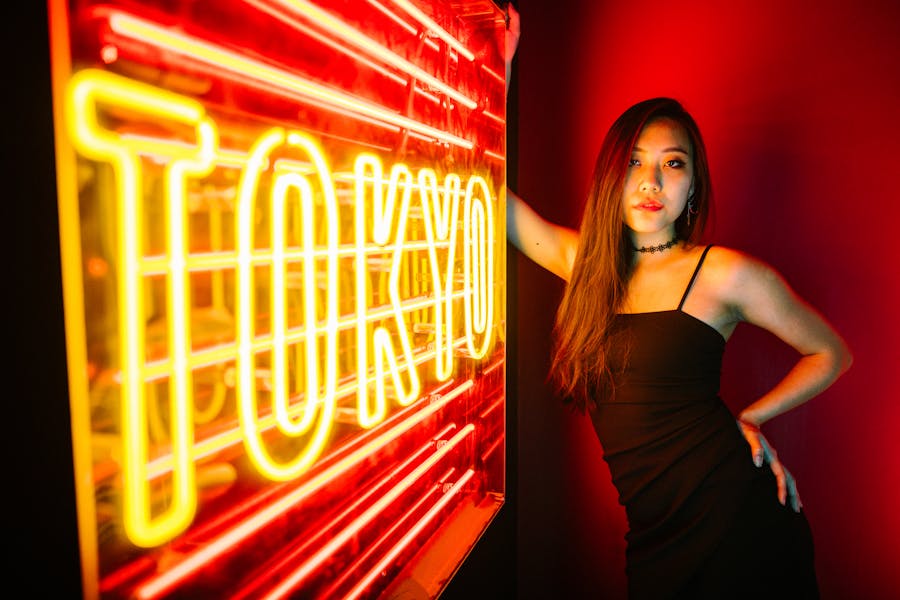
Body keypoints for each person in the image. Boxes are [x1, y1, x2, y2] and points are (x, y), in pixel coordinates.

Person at [503, 5, 852, 599]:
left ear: (692, 186)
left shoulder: (723, 273)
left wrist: (753, 417)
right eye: (635, 162)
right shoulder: (583, 263)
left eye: (672, 165)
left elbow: (830, 353)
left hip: (741, 528)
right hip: (654, 542)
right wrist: (500, 71)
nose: (650, 182)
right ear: (613, 175)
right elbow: (492, 198)